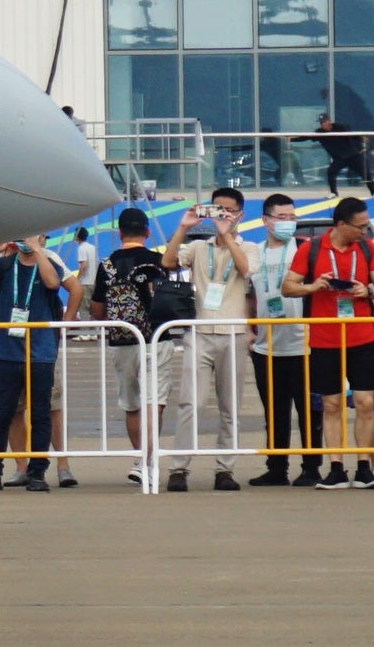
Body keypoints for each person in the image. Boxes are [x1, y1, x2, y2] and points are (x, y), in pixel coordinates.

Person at [288, 192, 374, 488]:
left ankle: (364, 466)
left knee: (365, 402)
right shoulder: (311, 249)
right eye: (359, 226)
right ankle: (335, 467)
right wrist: (313, 286)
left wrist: (367, 291)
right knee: (331, 404)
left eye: (366, 226)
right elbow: (288, 287)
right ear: (341, 224)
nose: (364, 231)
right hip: (325, 337)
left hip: (362, 335)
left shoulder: (367, 248)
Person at [81, 208, 185, 486]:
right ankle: (148, 461)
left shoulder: (107, 265)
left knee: (132, 404)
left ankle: (141, 459)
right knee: (155, 402)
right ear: (148, 232)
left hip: (122, 341)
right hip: (156, 338)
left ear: (119, 233)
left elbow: (97, 309)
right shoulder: (157, 262)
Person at [0, 233, 70, 492]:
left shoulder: (50, 262)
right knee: (1, 414)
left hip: (40, 352)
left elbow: (53, 283)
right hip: (7, 352)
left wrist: (37, 251)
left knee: (41, 413)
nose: (24, 239)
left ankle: (37, 472)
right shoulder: (5, 264)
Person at [162, 190, 254, 492]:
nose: (223, 216)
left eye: (230, 211)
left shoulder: (248, 246)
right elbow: (169, 260)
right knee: (192, 402)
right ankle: (179, 468)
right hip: (200, 331)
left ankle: (225, 468)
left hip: (233, 333)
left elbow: (245, 270)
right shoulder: (200, 247)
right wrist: (184, 227)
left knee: (230, 404)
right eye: (219, 210)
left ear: (240, 214)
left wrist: (227, 236)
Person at [247, 191, 314, 484]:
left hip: (304, 345)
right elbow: (251, 294)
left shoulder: (305, 250)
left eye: (292, 217)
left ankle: (311, 468)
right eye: (281, 217)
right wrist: (250, 329)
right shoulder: (254, 252)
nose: (288, 223)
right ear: (265, 220)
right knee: (274, 411)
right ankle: (277, 468)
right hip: (265, 346)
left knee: (310, 411)